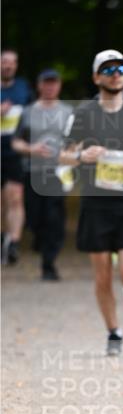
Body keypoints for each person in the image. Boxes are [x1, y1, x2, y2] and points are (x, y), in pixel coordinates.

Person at [60, 49, 123, 355]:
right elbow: (63, 153)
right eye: (108, 68)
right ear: (96, 76)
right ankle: (114, 332)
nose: (115, 73)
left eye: (120, 68)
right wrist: (80, 156)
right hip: (96, 202)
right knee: (102, 274)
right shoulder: (83, 113)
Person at [11, 69, 73, 280]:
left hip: (57, 172)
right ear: (39, 86)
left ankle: (49, 263)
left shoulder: (67, 112)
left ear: (59, 86)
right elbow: (16, 141)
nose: (50, 87)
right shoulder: (27, 112)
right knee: (35, 216)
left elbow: (77, 141)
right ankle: (38, 238)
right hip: (32, 170)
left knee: (54, 217)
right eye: (46, 83)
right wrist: (31, 149)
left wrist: (68, 157)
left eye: (54, 83)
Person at [1, 49, 34, 264]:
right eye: (4, 62)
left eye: (13, 62)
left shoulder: (23, 88)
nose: (8, 66)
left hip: (14, 153)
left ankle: (13, 242)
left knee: (15, 197)